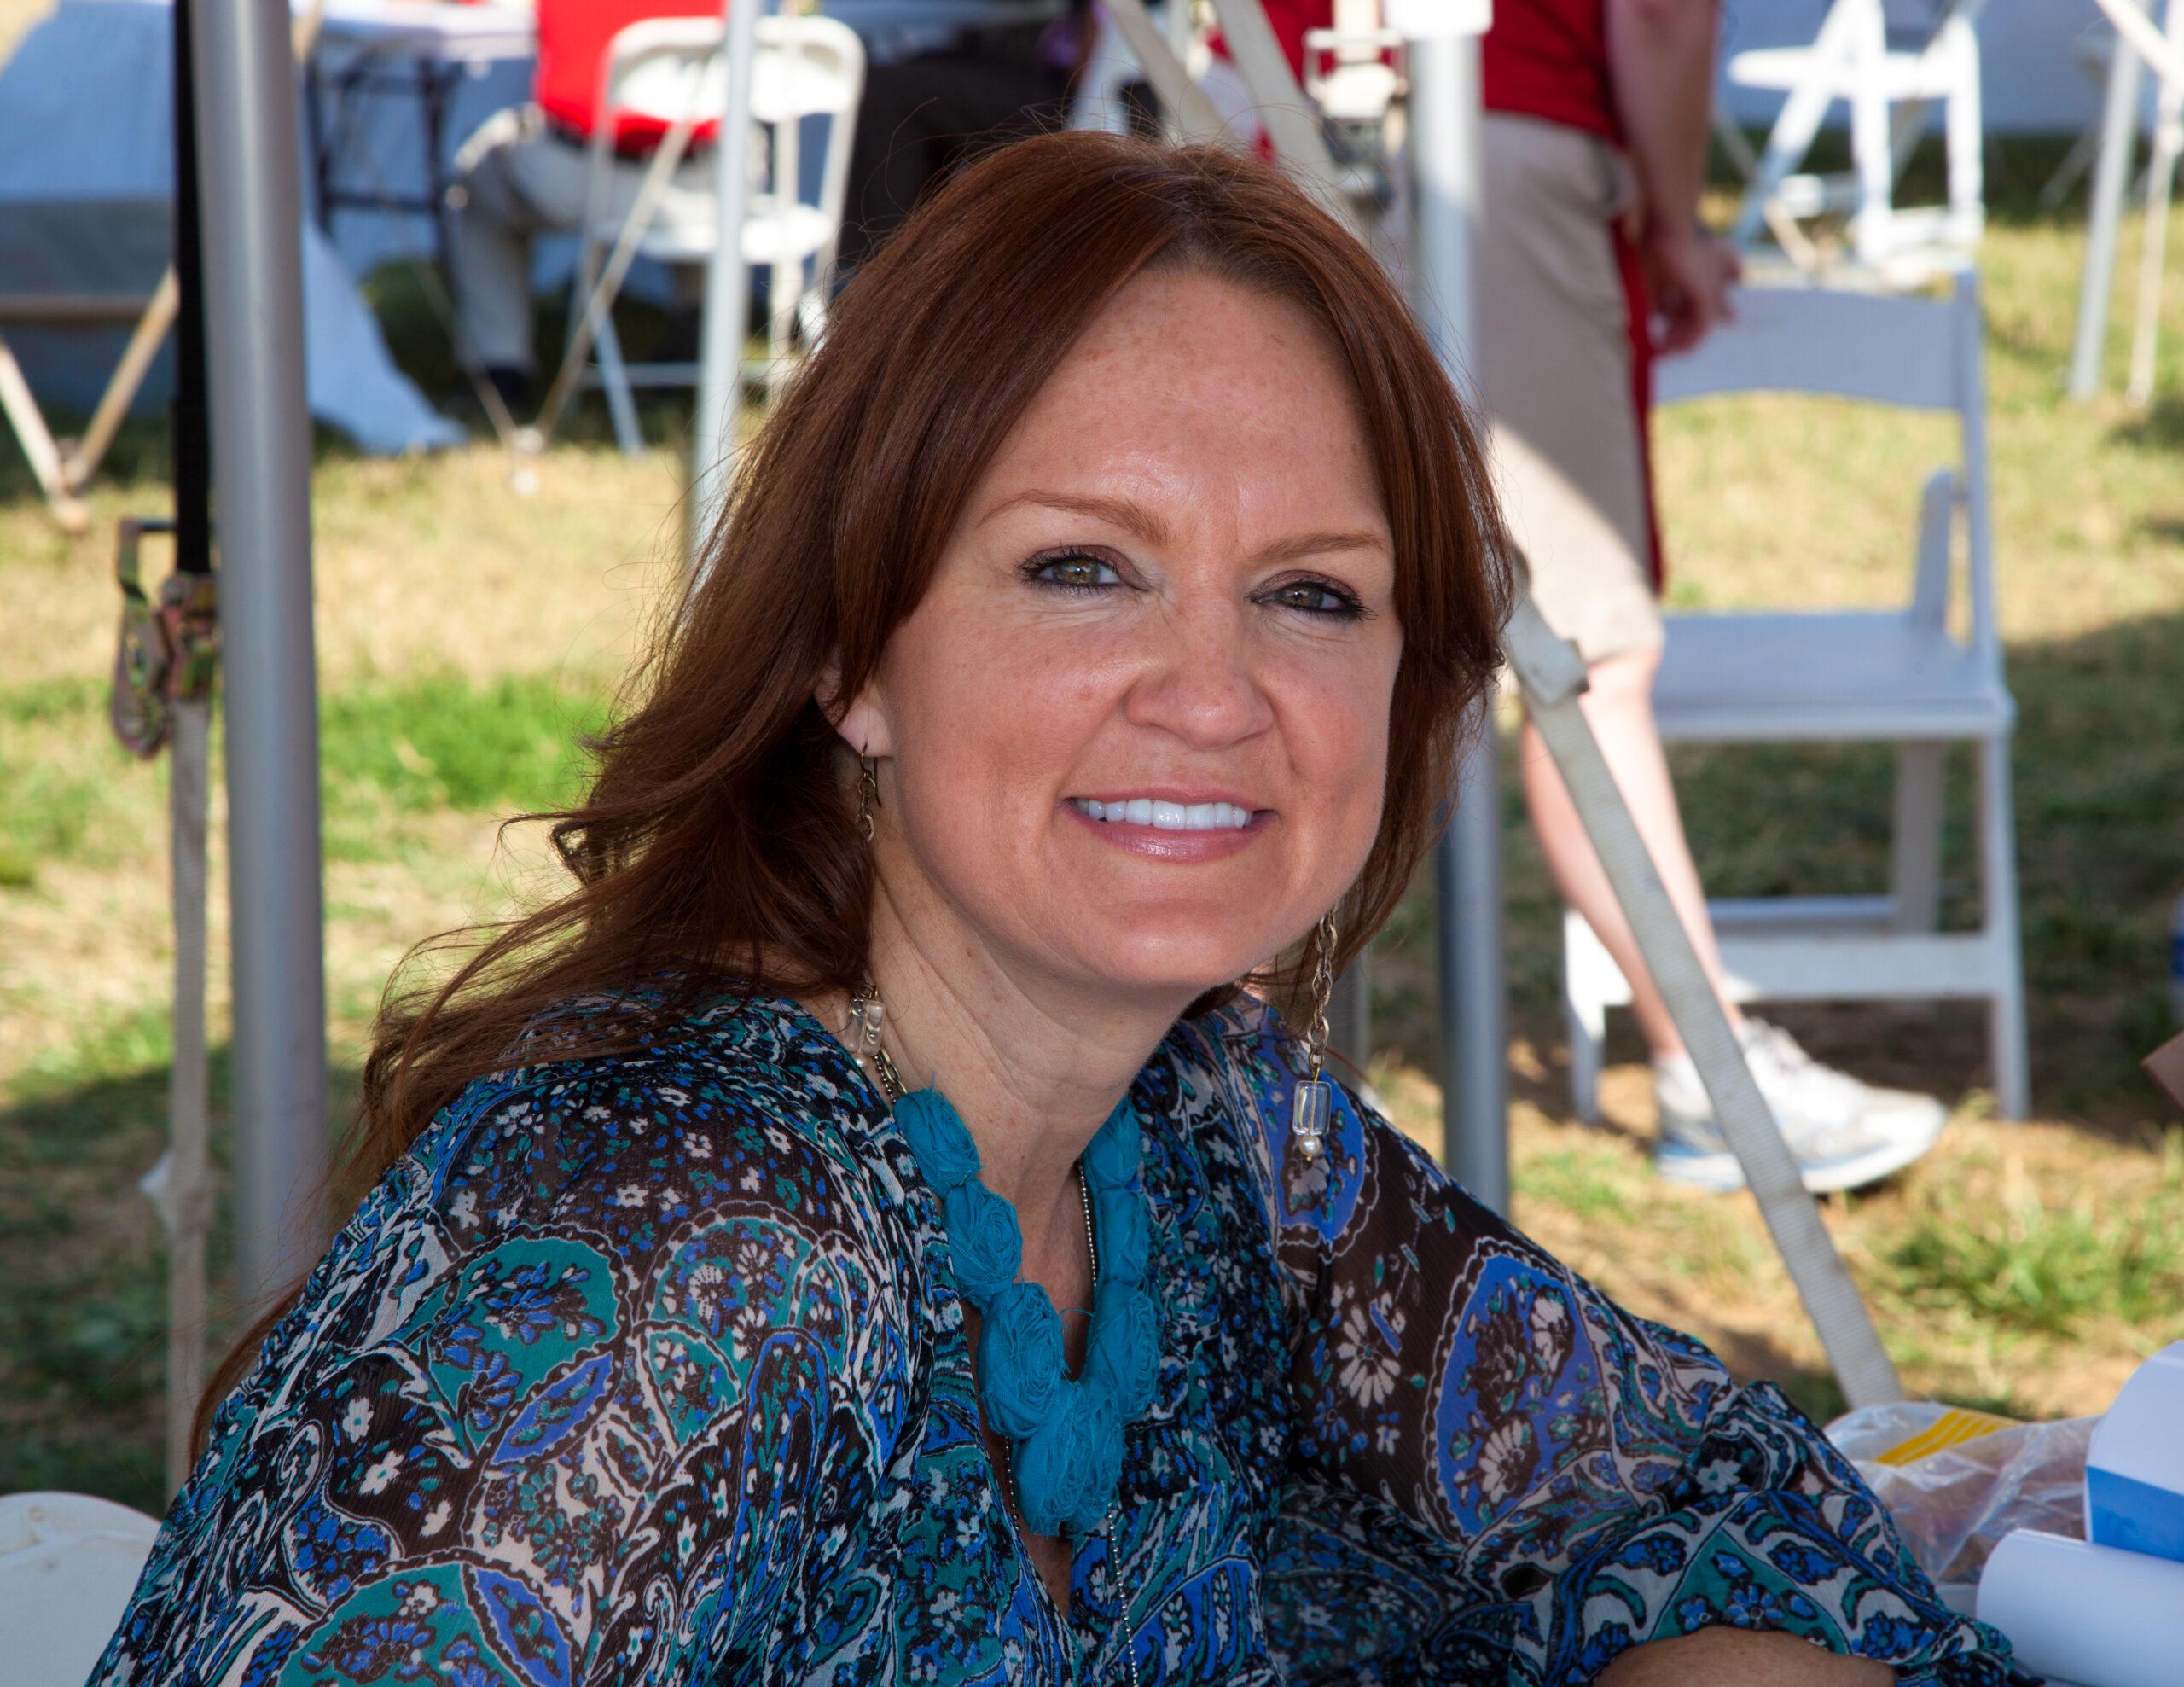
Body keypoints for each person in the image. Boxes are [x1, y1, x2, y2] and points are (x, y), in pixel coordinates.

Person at [92, 135, 2022, 1685]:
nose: (1213, 690)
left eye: (1312, 593)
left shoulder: (1205, 1131)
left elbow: (1664, 1487)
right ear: (855, 654)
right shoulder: (663, 1233)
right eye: (1083, 567)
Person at [1477, 0, 1950, 1193]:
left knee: (1320, 620)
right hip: (1488, 135)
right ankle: (1712, 1070)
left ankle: (1225, 1071)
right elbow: (1662, 12)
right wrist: (1677, 226)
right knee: (1580, 661)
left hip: (1287, 129)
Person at [445, 0, 729, 415]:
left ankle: (499, 365)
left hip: (585, 176)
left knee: (481, 172)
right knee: (687, 166)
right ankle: (699, 316)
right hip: (707, 183)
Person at [835, 0, 1092, 276]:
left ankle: (865, 279)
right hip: (1038, 66)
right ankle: (892, 271)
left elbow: (1092, 62)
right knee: (911, 76)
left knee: (884, 95)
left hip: (1079, 100)